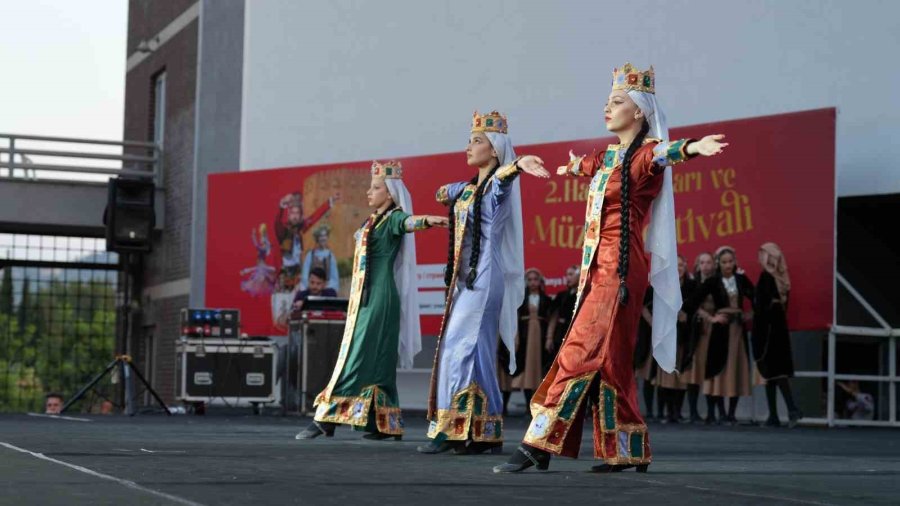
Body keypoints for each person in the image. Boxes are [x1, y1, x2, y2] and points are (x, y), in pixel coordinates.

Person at [495, 63, 727, 473]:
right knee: (613, 358)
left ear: (639, 111)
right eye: (607, 100)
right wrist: (558, 166)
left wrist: (692, 147)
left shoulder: (643, 155)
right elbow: (583, 165)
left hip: (619, 269)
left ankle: (540, 441)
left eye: (617, 101)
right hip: (596, 268)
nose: (608, 107)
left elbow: (664, 153)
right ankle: (626, 447)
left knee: (579, 349)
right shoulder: (607, 156)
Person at [419, 111, 549, 455]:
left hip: (483, 276)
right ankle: (483, 429)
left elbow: (502, 180)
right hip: (465, 281)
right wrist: (462, 188)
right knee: (473, 354)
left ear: (495, 150)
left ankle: (455, 429)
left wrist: (518, 165)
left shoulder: (495, 189)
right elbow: (440, 193)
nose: (468, 147)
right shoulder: (470, 189)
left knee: (460, 348)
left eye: (476, 141)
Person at [296, 161, 447, 440]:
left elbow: (407, 222)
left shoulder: (393, 219)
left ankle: (327, 418)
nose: (369, 192)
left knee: (357, 355)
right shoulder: (372, 220)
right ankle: (384, 423)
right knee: (381, 360)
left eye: (375, 188)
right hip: (367, 297)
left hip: (380, 297)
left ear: (390, 193)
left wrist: (427, 220)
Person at [687, 246, 755, 426]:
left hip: (737, 330)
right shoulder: (713, 281)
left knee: (736, 369)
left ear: (735, 262)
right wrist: (712, 317)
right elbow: (692, 302)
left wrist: (750, 314)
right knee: (717, 369)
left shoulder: (740, 280)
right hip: (720, 330)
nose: (727, 265)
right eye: (724, 262)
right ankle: (716, 413)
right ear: (719, 263)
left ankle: (731, 414)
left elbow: (757, 297)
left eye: (730, 262)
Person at [753, 242, 802, 427]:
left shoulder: (767, 276)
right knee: (772, 374)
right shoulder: (783, 277)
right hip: (779, 328)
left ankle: (791, 409)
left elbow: (762, 307)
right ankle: (774, 415)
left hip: (769, 330)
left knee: (775, 371)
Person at [499, 268, 552, 416]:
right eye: (530, 280)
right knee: (525, 369)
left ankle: (535, 404)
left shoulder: (546, 300)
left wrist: (548, 338)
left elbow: (550, 320)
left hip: (539, 337)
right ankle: (525, 403)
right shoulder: (520, 300)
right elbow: (515, 318)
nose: (533, 282)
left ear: (540, 281)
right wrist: (515, 339)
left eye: (535, 279)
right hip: (524, 336)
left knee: (537, 369)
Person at [654, 255, 696, 423]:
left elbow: (695, 306)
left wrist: (686, 315)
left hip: (683, 336)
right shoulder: (662, 285)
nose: (678, 268)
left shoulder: (692, 286)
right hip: (666, 335)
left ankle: (677, 411)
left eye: (681, 265)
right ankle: (666, 411)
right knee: (666, 376)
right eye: (675, 265)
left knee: (680, 376)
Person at [274, 191, 338, 291]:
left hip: (298, 271)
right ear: (288, 215)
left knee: (298, 299)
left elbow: (314, 217)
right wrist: (282, 206)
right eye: (292, 213)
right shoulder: (283, 231)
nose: (295, 216)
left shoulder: (301, 229)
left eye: (297, 213)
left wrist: (329, 203)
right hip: (285, 272)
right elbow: (277, 222)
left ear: (300, 216)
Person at [682, 252, 715, 423]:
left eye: (709, 262)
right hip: (694, 331)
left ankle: (711, 412)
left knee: (711, 370)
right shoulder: (692, 283)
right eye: (702, 262)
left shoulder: (717, 282)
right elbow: (687, 305)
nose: (706, 266)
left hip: (713, 330)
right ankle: (693, 412)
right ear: (698, 264)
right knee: (693, 371)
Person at [545, 265, 579, 370]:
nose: (568, 277)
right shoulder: (561, 295)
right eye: (567, 275)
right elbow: (554, 317)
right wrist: (549, 337)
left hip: (576, 335)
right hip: (560, 334)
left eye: (571, 274)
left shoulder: (585, 295)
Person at [301, 226, 340, 292]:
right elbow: (305, 274)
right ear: (317, 238)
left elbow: (334, 277)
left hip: (326, 288)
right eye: (321, 236)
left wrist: (325, 286)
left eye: (325, 236)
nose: (323, 238)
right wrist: (311, 286)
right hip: (311, 288)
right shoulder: (310, 255)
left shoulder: (330, 256)